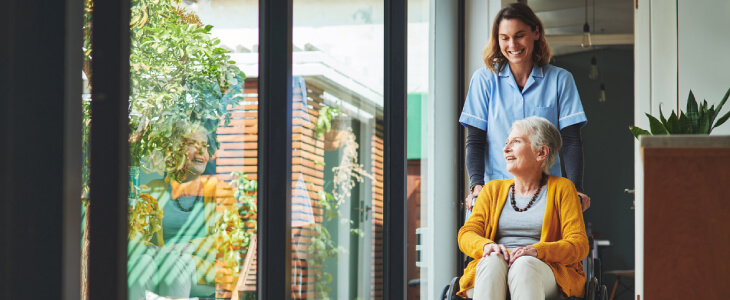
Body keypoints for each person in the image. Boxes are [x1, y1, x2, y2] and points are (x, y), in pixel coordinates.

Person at [460, 2, 590, 213]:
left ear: (535, 32)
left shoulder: (560, 80)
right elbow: (475, 140)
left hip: (546, 197)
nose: (512, 44)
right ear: (498, 40)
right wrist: (476, 186)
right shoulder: (483, 80)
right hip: (495, 196)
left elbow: (572, 141)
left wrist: (575, 189)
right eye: (505, 38)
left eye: (519, 35)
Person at [458, 116, 588, 299]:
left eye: (516, 142)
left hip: (544, 268)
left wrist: (538, 251)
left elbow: (578, 245)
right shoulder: (492, 190)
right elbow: (466, 234)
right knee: (493, 261)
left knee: (524, 265)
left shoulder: (563, 189)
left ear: (541, 153)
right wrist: (487, 246)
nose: (506, 149)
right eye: (506, 142)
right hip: (493, 270)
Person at [128, 123, 236, 300]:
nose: (202, 152)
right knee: (139, 265)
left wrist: (189, 247)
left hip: (203, 268)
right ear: (174, 151)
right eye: (194, 144)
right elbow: (137, 239)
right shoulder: (154, 190)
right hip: (162, 260)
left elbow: (229, 238)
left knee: (175, 265)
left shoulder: (221, 191)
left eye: (205, 147)